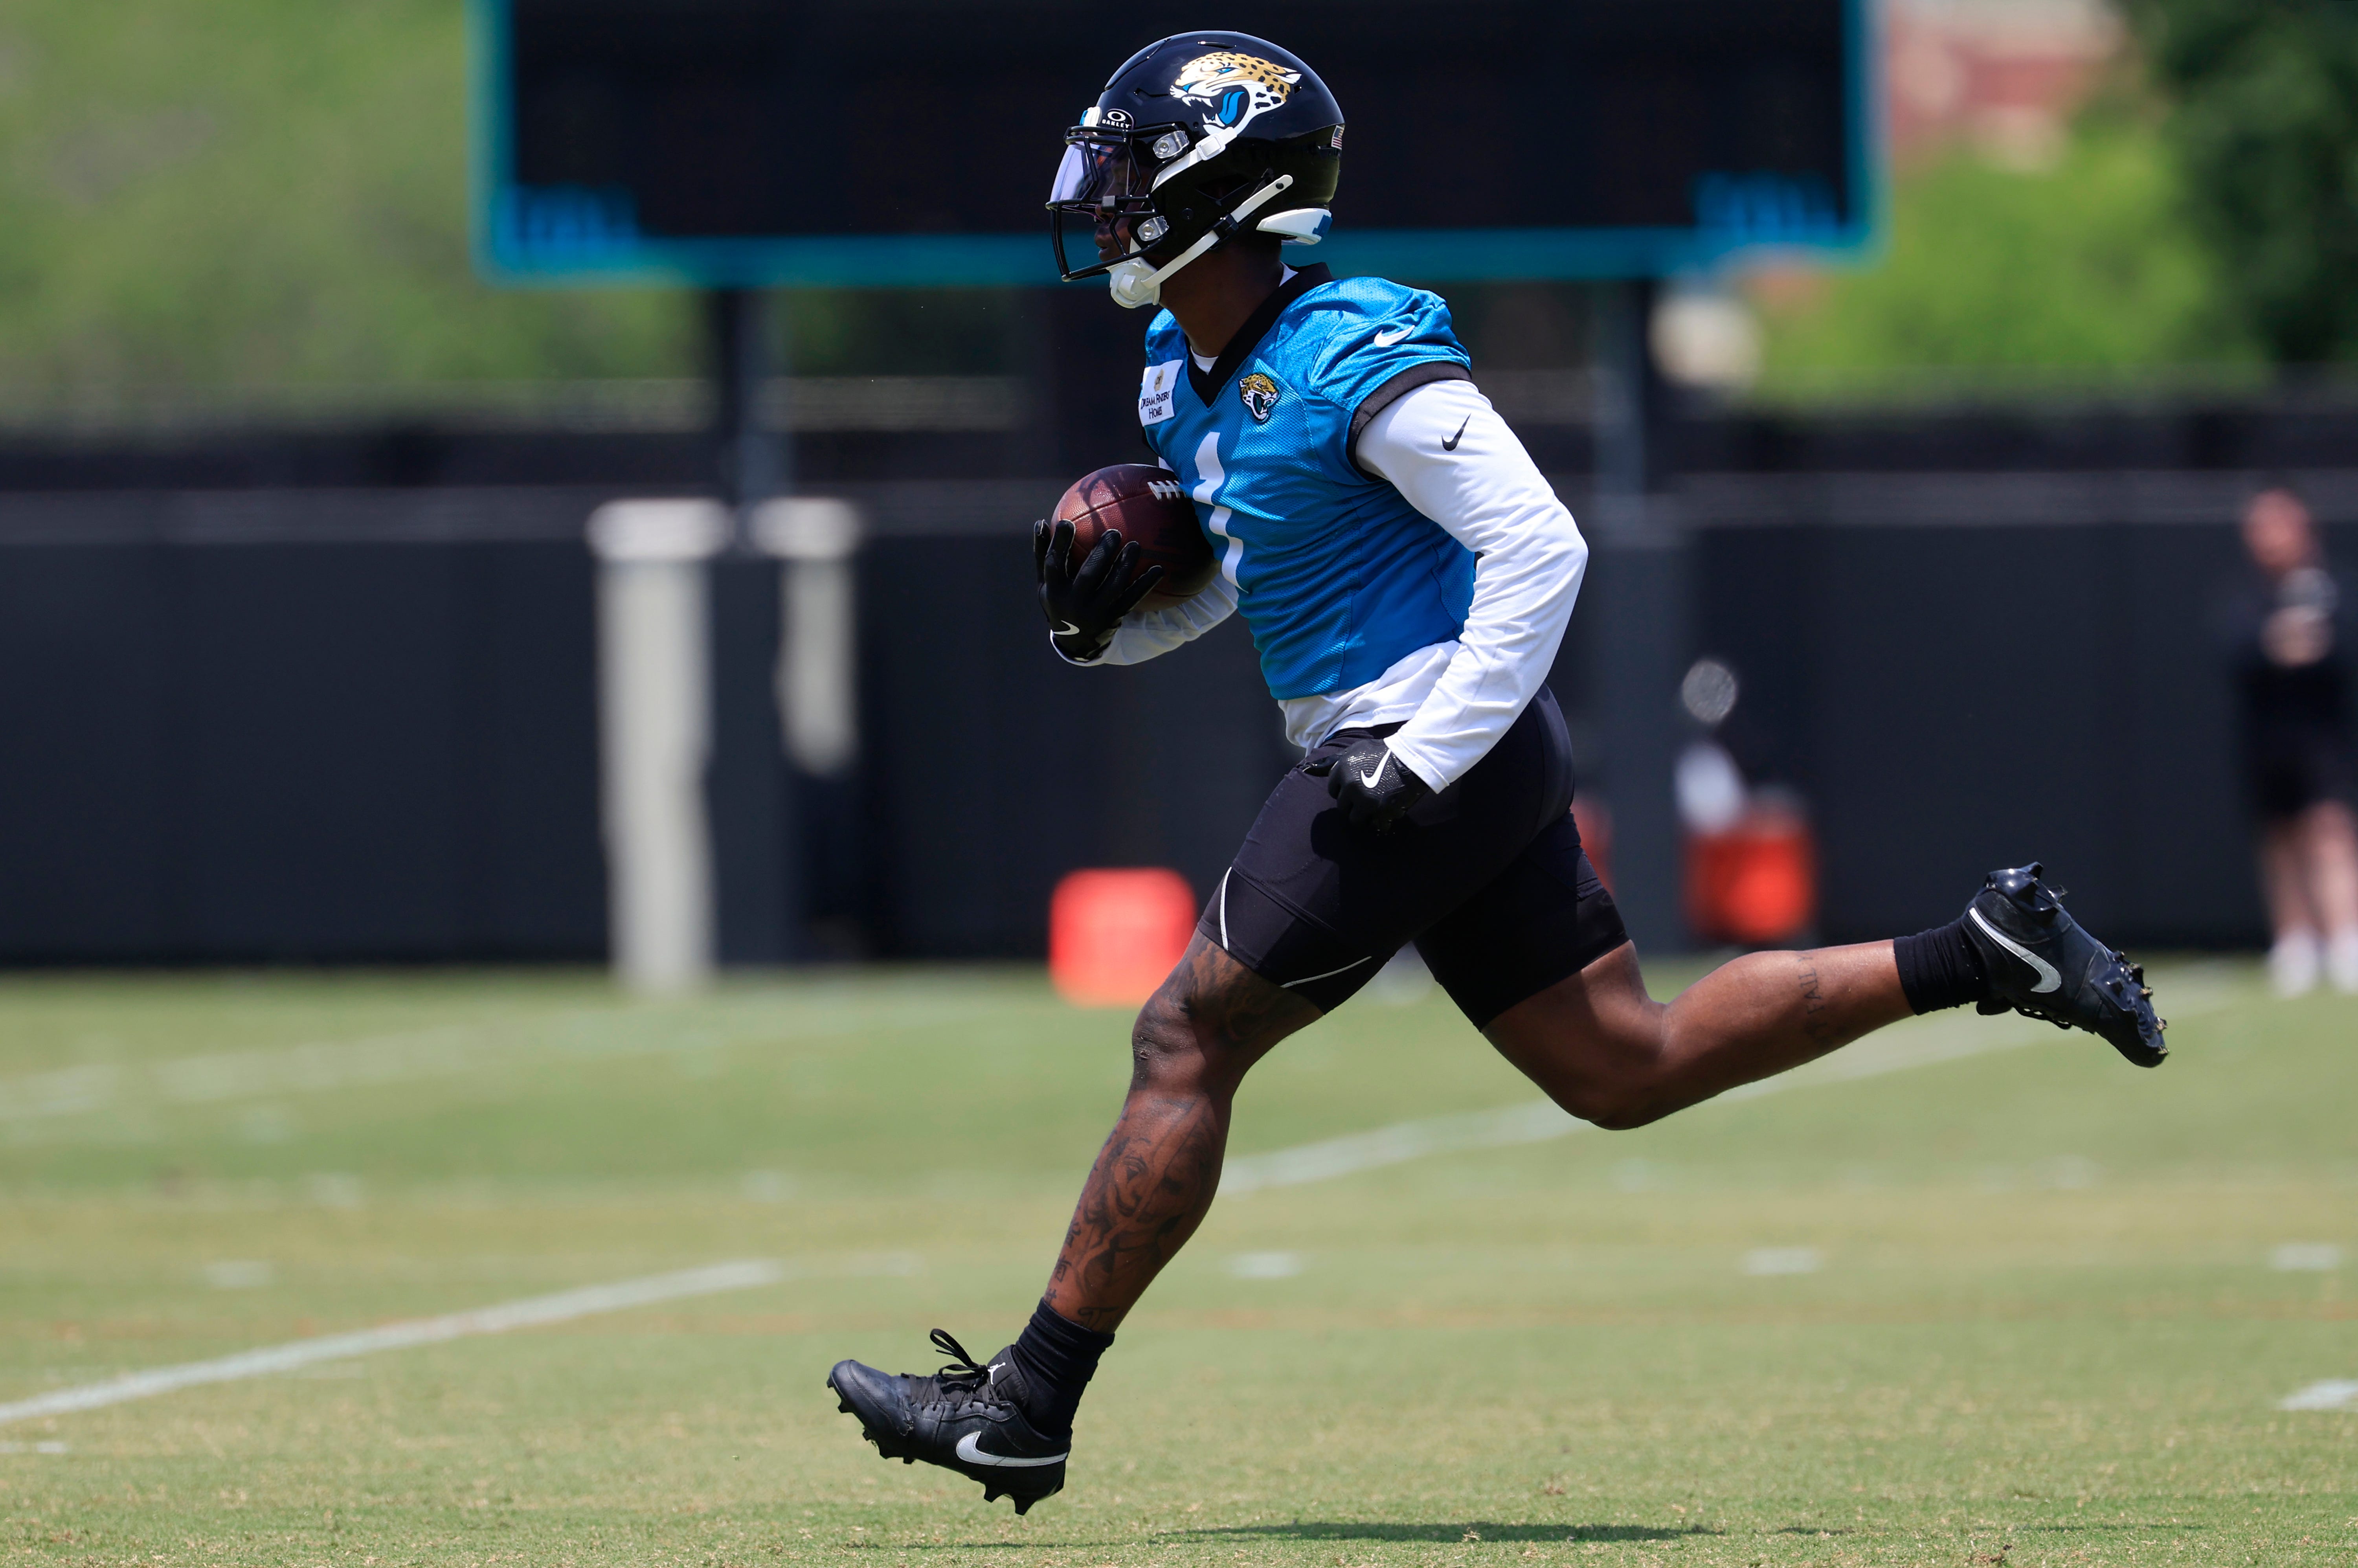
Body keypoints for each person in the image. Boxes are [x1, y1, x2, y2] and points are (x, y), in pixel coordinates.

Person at [825, 33, 2166, 1515]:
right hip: (1439, 752)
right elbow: (1242, 577)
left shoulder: (1350, 347)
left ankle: (1026, 1405)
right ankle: (1982, 953)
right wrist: (1110, 627)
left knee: (1182, 1040)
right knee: (1621, 1066)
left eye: (1139, 168)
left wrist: (1429, 753)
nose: (1111, 196)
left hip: (1421, 742)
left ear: (1227, 179)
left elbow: (1541, 546)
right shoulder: (1176, 369)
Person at [2223, 487, 2358, 994]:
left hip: (2322, 740)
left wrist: (2311, 646)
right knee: (2280, 837)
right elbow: (2235, 649)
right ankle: (2296, 943)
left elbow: (2342, 644)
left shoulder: (2333, 587)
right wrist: (2274, 645)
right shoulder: (2246, 596)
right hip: (2266, 742)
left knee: (2328, 829)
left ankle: (2345, 939)